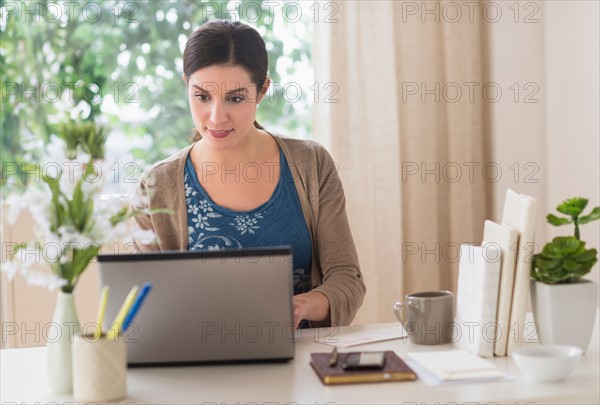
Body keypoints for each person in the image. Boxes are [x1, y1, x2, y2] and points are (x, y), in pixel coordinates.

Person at [131, 20, 365, 328]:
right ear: (186, 85)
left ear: (262, 90)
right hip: (202, 366)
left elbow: (347, 280)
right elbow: (146, 305)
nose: (216, 117)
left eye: (235, 98)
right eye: (202, 97)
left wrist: (299, 307)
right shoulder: (155, 187)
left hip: (302, 360)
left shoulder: (311, 164)